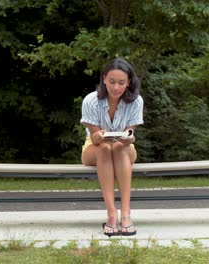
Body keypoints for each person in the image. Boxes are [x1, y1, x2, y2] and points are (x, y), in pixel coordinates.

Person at [80, 58, 143, 237]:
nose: (116, 87)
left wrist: (129, 137)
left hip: (123, 149)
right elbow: (94, 137)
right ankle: (111, 214)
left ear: (129, 82)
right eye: (112, 82)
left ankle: (126, 214)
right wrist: (98, 136)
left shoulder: (136, 101)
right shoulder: (91, 101)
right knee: (105, 149)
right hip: (95, 148)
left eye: (122, 83)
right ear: (104, 79)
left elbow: (130, 132)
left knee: (118, 148)